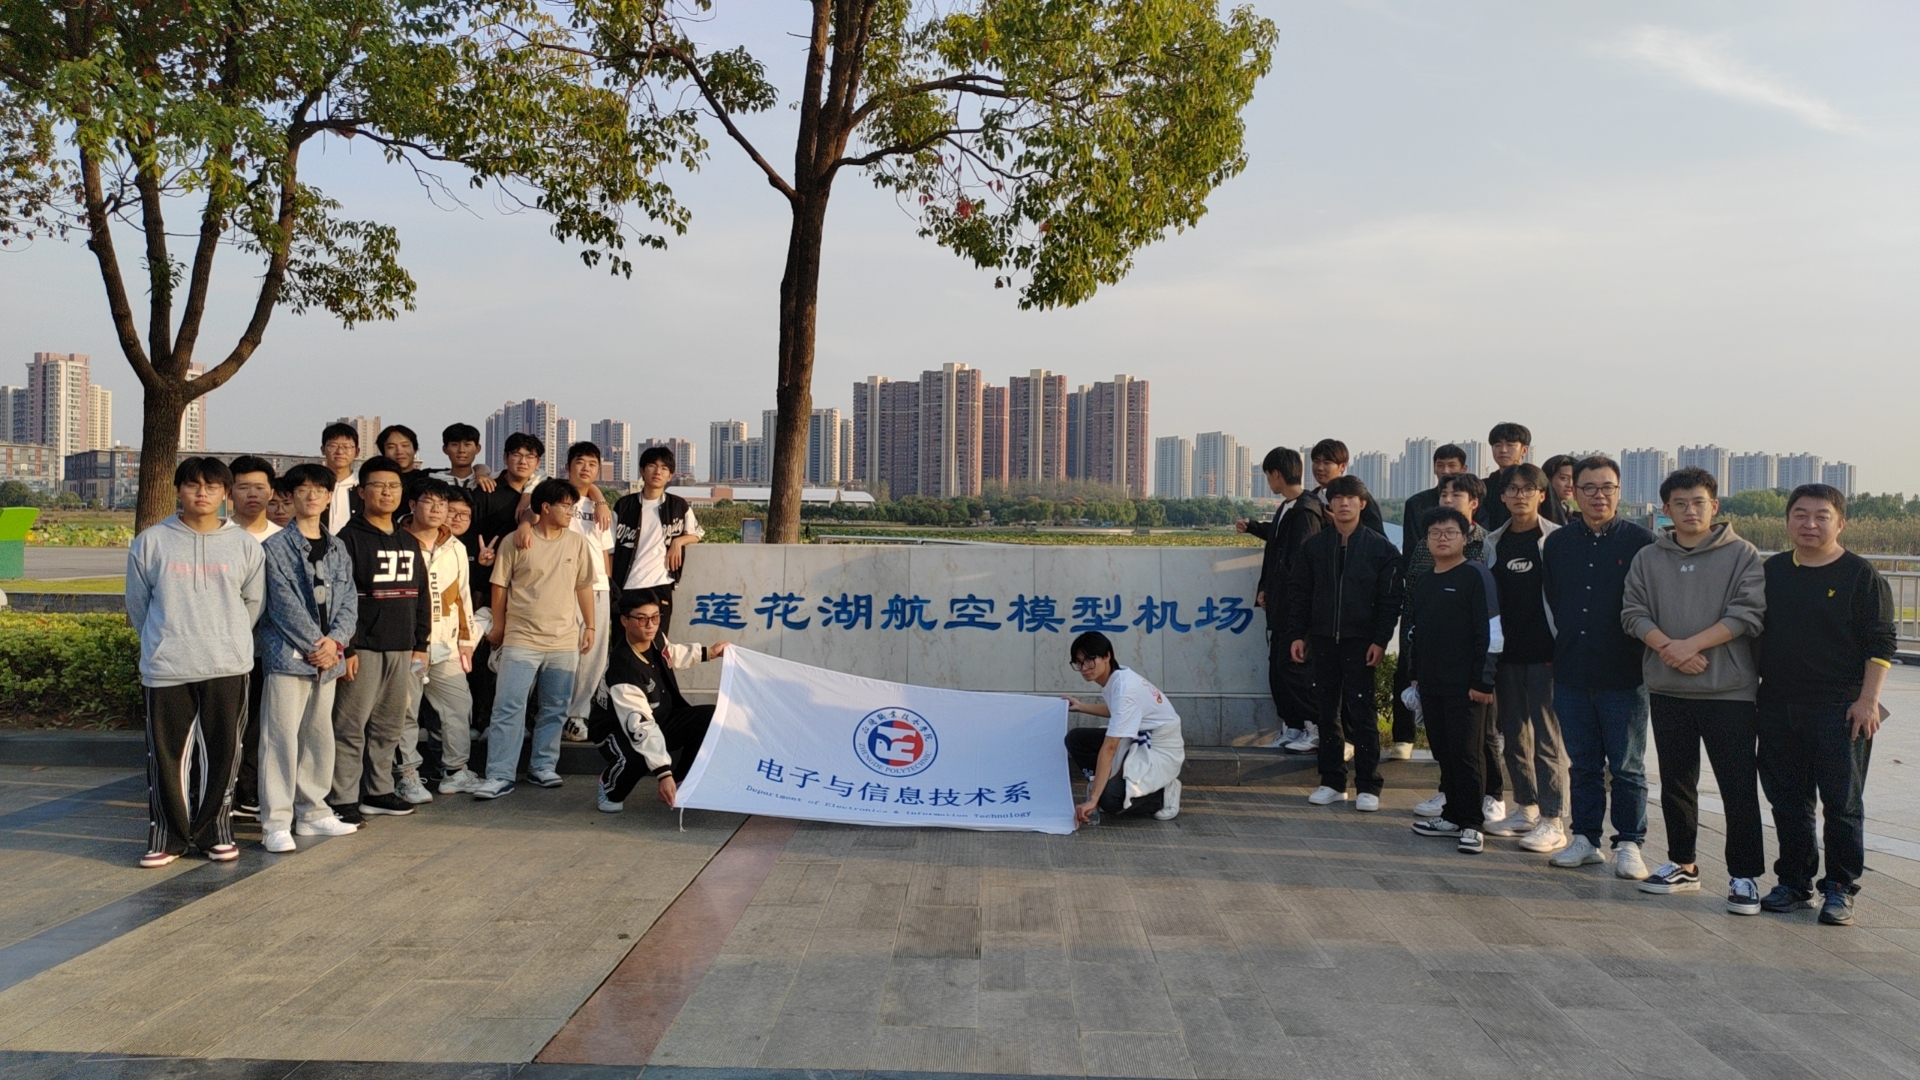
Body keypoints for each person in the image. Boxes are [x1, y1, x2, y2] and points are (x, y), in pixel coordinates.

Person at [1621, 466, 1768, 914]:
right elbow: (1633, 612)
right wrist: (1670, 650)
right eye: (1680, 504)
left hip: (1729, 690)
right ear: (1666, 509)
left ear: (1714, 506)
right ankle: (1682, 863)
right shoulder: (1649, 557)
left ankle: (1744, 875)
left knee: (1737, 785)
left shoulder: (1742, 553)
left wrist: (1690, 646)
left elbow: (1747, 614)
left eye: (1698, 502)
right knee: (1676, 783)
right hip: (1669, 688)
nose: (1690, 511)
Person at [1755, 485, 1896, 927]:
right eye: (1800, 515)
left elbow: (1881, 643)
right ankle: (1794, 882)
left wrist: (1868, 701)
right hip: (1778, 704)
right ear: (1788, 521)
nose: (1810, 524)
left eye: (1821, 516)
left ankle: (1840, 887)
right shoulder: (1772, 571)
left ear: (1841, 523)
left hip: (1840, 708)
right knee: (1788, 802)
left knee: (1842, 804)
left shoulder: (1861, 575)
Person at [125, 457, 266, 867]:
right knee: (166, 756)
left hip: (227, 665)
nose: (201, 493)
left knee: (223, 753)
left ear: (225, 493)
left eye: (211, 486)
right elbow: (138, 604)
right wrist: (162, 641)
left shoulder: (244, 545)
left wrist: (228, 639)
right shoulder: (151, 542)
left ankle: (214, 832)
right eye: (192, 485)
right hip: (167, 666)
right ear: (178, 490)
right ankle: (167, 837)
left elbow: (253, 602)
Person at [1542, 455, 1656, 878]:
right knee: (1583, 763)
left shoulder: (1642, 542)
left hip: (1625, 672)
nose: (1598, 496)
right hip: (1572, 669)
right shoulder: (1558, 543)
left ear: (1619, 491)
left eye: (1607, 487)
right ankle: (1586, 839)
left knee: (1626, 766)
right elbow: (1554, 599)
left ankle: (1629, 843)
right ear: (1573, 491)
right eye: (1588, 487)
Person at [254, 464, 361, 852]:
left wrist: (336, 642)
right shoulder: (275, 548)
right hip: (289, 657)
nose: (311, 496)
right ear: (290, 497)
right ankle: (276, 822)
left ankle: (314, 811)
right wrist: (319, 645)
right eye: (303, 490)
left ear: (330, 497)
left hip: (327, 658)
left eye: (319, 490)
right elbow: (282, 605)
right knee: (280, 738)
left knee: (318, 736)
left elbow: (349, 599)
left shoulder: (337, 547)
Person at [1286, 476, 1401, 810]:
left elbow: (1390, 600)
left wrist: (1380, 640)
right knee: (1327, 712)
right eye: (1337, 498)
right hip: (1322, 639)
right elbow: (1299, 593)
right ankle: (1332, 781)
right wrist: (1297, 634)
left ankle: (1368, 785)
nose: (1344, 503)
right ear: (1330, 505)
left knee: (1362, 712)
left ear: (1362, 503)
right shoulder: (1315, 547)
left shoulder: (1380, 549)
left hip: (1360, 641)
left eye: (1351, 498)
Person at [477, 478, 597, 799]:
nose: (571, 512)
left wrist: (590, 626)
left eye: (572, 506)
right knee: (508, 707)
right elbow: (499, 586)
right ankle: (499, 774)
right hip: (521, 639)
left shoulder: (577, 543)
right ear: (545, 508)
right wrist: (499, 627)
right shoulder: (514, 541)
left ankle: (543, 766)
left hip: (564, 640)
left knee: (555, 707)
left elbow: (584, 586)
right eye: (566, 506)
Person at [329, 456, 432, 823]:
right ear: (361, 492)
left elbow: (421, 595)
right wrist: (347, 647)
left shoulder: (408, 540)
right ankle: (342, 797)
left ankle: (379, 791)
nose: (387, 492)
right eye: (378, 485)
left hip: (402, 647)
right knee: (350, 726)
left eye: (394, 486)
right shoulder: (347, 539)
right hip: (364, 648)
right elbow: (340, 598)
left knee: (389, 726)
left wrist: (421, 643)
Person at [1401, 474, 1507, 823]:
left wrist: (1484, 680)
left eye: (1449, 533)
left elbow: (1491, 632)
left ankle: (1474, 820)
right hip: (1432, 682)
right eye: (1435, 533)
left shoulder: (1478, 570)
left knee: (1469, 751)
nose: (1442, 538)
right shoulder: (1425, 577)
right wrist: (1415, 675)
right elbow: (1416, 629)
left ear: (1465, 537)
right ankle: (1452, 812)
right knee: (1444, 749)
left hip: (1469, 682)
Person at [1480, 463, 1571, 852]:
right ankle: (1526, 808)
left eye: (1528, 489)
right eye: (1513, 489)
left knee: (1547, 737)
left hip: (1547, 653)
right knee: (1513, 735)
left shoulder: (1557, 540)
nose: (1520, 496)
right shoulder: (1493, 542)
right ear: (1502, 497)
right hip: (1507, 653)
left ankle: (1553, 819)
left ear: (1542, 495)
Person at [590, 589, 732, 812]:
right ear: (625, 621)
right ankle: (609, 786)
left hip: (658, 717)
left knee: (710, 717)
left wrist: (709, 653)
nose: (650, 625)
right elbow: (640, 727)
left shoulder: (654, 637)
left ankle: (681, 782)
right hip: (618, 730)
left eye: (655, 617)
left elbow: (670, 654)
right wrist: (663, 773)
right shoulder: (624, 669)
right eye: (642, 619)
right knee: (639, 755)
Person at [1385, 444, 1470, 759]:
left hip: (1460, 597)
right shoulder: (1418, 502)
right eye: (1440, 465)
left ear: (1463, 468)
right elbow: (1412, 549)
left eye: (1452, 465)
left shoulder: (1472, 498)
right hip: (1421, 586)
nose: (1446, 471)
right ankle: (1404, 736)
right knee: (1408, 662)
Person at [1236, 447, 1324, 751]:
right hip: (1281, 607)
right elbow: (1277, 542)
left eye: (1268, 476)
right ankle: (1293, 727)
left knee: (1295, 670)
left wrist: (1279, 595)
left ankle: (1315, 728)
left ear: (1276, 474)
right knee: (1279, 671)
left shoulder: (1306, 512)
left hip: (1296, 610)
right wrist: (1252, 528)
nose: (1268, 482)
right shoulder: (1289, 507)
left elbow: (1299, 564)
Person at [399, 480, 481, 798]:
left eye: (442, 504)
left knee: (458, 706)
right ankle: (407, 774)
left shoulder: (455, 546)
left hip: (446, 644)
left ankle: (456, 771)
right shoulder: (397, 541)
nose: (437, 510)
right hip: (407, 645)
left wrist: (466, 640)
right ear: (412, 505)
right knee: (405, 711)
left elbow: (462, 596)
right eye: (429, 502)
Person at [1063, 631, 1186, 823]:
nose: (1084, 668)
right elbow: (1119, 710)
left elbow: (1110, 747)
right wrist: (1082, 706)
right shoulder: (1116, 677)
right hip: (1136, 737)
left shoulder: (1125, 688)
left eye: (1089, 660)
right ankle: (1100, 782)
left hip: (1158, 748)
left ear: (1107, 656)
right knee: (1075, 738)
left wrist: (1094, 799)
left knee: (1110, 801)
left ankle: (1163, 793)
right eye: (1078, 662)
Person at [226, 455, 281, 819]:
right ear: (229, 492)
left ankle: (250, 791)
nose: (252, 494)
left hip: (267, 650)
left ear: (271, 492)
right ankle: (221, 790)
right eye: (243, 487)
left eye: (260, 487)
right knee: (226, 723)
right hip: (225, 651)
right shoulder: (218, 536)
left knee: (261, 723)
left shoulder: (282, 539)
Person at [561, 442, 616, 744]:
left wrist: (606, 582)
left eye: (592, 464)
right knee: (564, 652)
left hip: (597, 588)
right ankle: (555, 712)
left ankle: (577, 714)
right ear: (567, 466)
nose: (585, 468)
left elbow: (604, 551)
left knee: (593, 655)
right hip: (563, 587)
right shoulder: (556, 499)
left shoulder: (600, 508)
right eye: (579, 462)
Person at [610, 445, 703, 620]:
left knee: (658, 636)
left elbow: (696, 533)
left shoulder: (678, 506)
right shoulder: (624, 506)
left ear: (670, 475)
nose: (657, 472)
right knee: (625, 636)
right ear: (642, 471)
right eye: (652, 466)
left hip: (660, 585)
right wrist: (610, 584)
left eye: (664, 468)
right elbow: (609, 547)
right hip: (626, 585)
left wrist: (678, 541)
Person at [1308, 439, 1386, 537]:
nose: (1319, 468)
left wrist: (1341, 524)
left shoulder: (1358, 496)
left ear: (1342, 466)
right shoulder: (1310, 499)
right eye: (1316, 462)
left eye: (1327, 463)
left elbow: (1377, 538)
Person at [319, 422, 362, 534]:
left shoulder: (363, 485)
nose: (340, 452)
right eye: (333, 446)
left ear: (357, 452)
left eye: (346, 447)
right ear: (323, 450)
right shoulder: (314, 484)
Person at [377, 424, 432, 499]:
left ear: (415, 450)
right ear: (384, 453)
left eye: (405, 445)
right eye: (391, 447)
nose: (399, 451)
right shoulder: (376, 481)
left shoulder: (428, 478)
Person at [438, 423, 487, 490]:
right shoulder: (434, 482)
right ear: (445, 449)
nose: (461, 450)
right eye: (455, 445)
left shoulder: (489, 482)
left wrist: (481, 472)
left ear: (477, 449)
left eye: (467, 444)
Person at [1542, 455, 1580, 523]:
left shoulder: (1572, 515)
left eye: (1574, 479)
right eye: (1564, 478)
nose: (1570, 485)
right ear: (1548, 479)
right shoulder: (1539, 513)